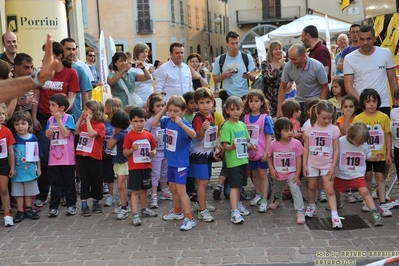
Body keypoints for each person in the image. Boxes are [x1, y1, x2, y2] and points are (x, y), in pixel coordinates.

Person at [32, 41, 79, 209]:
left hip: (63, 118)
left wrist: (60, 113)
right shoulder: (42, 73)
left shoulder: (70, 73)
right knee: (45, 157)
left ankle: (66, 195)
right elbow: (36, 97)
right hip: (44, 118)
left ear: (59, 56)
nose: (45, 59)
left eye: (48, 56)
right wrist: (33, 117)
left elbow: (71, 98)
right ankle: (43, 194)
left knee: (64, 159)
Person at [152, 96, 197, 231]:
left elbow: (194, 135)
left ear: (183, 111)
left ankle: (189, 217)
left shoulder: (183, 123)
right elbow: (154, 122)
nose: (172, 113)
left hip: (181, 163)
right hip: (170, 161)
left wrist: (181, 124)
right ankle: (177, 211)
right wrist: (164, 109)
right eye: (170, 110)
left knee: (181, 190)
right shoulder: (167, 121)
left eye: (176, 111)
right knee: (173, 189)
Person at [334, 123, 384, 226]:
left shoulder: (364, 145)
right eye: (358, 142)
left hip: (357, 173)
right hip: (341, 173)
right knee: (335, 190)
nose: (360, 144)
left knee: (365, 191)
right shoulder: (340, 142)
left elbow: (367, 156)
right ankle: (337, 203)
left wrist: (375, 158)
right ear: (350, 136)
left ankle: (374, 212)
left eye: (362, 142)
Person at [352, 89, 392, 217]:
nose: (371, 104)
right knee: (367, 176)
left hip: (380, 154)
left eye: (374, 101)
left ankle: (383, 203)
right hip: (365, 155)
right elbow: (355, 137)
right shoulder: (358, 118)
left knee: (380, 176)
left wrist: (389, 153)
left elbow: (388, 135)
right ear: (363, 103)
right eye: (368, 101)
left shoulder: (384, 117)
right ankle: (367, 201)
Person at [303, 100, 342, 229]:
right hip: (312, 163)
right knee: (312, 186)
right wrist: (304, 165)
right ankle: (311, 205)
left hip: (327, 164)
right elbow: (306, 148)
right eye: (324, 118)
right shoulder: (310, 129)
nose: (326, 121)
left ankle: (334, 215)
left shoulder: (334, 129)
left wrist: (333, 167)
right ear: (317, 113)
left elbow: (336, 150)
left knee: (329, 190)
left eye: (329, 118)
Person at [344, 25, 398, 112]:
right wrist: (362, 104)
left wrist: (396, 104)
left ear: (374, 38)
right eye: (362, 39)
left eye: (368, 39)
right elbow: (348, 85)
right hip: (360, 107)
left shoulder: (386, 53)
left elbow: (393, 80)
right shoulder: (349, 58)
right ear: (358, 39)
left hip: (383, 104)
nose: (365, 42)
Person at [220, 96, 255, 224]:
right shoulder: (227, 126)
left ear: (242, 110)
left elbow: (246, 141)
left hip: (243, 160)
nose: (235, 111)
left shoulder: (242, 125)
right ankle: (234, 211)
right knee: (234, 187)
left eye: (238, 109)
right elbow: (224, 146)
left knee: (239, 186)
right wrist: (231, 147)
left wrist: (251, 146)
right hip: (233, 162)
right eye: (232, 109)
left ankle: (238, 204)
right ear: (227, 111)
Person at [277, 43, 329, 125]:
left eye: (294, 59)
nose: (292, 62)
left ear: (304, 56)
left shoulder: (317, 66)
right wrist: (279, 109)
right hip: (299, 101)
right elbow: (283, 87)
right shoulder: (288, 66)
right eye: (290, 59)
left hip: (315, 101)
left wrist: (319, 107)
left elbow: (325, 88)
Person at [122, 107, 157, 226]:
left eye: (141, 121)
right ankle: (135, 214)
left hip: (146, 167)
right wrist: (132, 149)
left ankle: (144, 209)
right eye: (135, 121)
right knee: (135, 191)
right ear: (131, 122)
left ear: (146, 121)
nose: (138, 124)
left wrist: (153, 153)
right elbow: (125, 153)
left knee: (144, 190)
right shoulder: (129, 136)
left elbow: (154, 148)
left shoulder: (149, 135)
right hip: (135, 168)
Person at [266, 117, 305, 224]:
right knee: (277, 189)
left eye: (291, 130)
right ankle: (277, 199)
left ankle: (300, 211)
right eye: (286, 130)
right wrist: (272, 169)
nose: (290, 133)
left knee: (295, 190)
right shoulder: (273, 144)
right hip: (278, 173)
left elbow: (298, 159)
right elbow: (269, 157)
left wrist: (297, 174)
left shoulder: (296, 143)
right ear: (278, 131)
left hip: (291, 173)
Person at [0, 34, 59, 103]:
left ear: (18, 42)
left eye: (14, 41)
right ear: (3, 44)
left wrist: (39, 78)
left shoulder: (23, 58)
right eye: (8, 42)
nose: (12, 44)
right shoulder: (1, 61)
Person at [45, 94, 77, 217]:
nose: (50, 108)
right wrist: (47, 134)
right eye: (50, 105)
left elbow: (65, 134)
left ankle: (71, 205)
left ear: (62, 108)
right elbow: (50, 137)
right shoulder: (49, 120)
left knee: (69, 182)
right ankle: (53, 207)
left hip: (67, 158)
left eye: (53, 105)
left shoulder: (69, 118)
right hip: (54, 158)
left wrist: (58, 120)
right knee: (55, 184)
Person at [188, 87, 217, 222]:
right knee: (203, 181)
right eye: (201, 103)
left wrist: (217, 146)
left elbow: (213, 136)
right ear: (197, 104)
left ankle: (201, 203)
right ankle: (202, 210)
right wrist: (204, 130)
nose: (205, 105)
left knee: (206, 180)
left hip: (208, 153)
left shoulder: (212, 116)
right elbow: (198, 137)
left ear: (212, 102)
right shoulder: (198, 118)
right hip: (198, 154)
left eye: (207, 102)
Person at [242, 90, 273, 212]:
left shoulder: (265, 118)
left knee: (262, 174)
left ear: (261, 102)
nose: (253, 104)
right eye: (251, 101)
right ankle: (258, 194)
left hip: (262, 153)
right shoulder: (245, 117)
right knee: (254, 175)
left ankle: (264, 199)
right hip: (250, 153)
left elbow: (269, 135)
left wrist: (267, 151)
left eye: (256, 101)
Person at [75, 100, 106, 217]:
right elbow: (76, 131)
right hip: (83, 157)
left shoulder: (100, 125)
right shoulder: (83, 124)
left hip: (95, 157)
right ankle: (84, 203)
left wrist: (87, 121)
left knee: (96, 181)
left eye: (87, 109)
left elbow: (92, 134)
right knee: (85, 180)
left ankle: (96, 201)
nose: (84, 111)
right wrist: (81, 118)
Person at [11, 111, 40, 223]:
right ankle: (20, 210)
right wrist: (12, 168)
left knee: (29, 190)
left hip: (30, 170)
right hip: (18, 171)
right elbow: (11, 154)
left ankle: (29, 208)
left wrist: (39, 168)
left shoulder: (33, 138)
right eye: (17, 124)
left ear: (29, 124)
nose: (20, 126)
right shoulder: (13, 138)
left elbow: (37, 154)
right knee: (18, 191)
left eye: (23, 123)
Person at [144, 93, 172, 209]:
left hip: (166, 150)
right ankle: (154, 195)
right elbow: (145, 134)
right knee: (155, 173)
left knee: (165, 172)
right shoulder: (150, 121)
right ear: (152, 107)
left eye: (162, 105)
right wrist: (152, 140)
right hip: (156, 151)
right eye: (158, 106)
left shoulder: (167, 119)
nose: (160, 108)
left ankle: (165, 190)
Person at [212, 30, 256, 105]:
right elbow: (215, 79)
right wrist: (224, 75)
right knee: (227, 117)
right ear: (227, 43)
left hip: (244, 96)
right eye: (232, 43)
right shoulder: (220, 59)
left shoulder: (247, 57)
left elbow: (253, 78)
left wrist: (249, 75)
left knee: (245, 117)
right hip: (227, 97)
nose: (235, 46)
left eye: (237, 43)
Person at [60, 38, 93, 122]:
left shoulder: (80, 69)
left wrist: (85, 115)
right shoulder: (54, 69)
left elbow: (86, 93)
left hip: (75, 115)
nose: (72, 52)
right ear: (61, 49)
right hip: (55, 114)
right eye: (68, 49)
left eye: (74, 49)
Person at [107, 111, 130, 219]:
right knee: (122, 186)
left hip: (122, 163)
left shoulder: (119, 135)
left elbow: (109, 146)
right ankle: (125, 204)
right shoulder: (124, 134)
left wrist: (112, 135)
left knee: (120, 186)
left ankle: (124, 208)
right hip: (119, 162)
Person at [103, 98, 123, 206]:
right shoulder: (104, 121)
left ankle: (122, 195)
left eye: (106, 106)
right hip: (107, 152)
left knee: (121, 173)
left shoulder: (121, 123)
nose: (104, 108)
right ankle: (111, 195)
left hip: (119, 152)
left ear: (112, 108)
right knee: (108, 173)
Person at [0, 103, 16, 227]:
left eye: (3, 114)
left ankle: (7, 214)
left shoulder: (6, 131)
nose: (1, 117)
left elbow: (11, 150)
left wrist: (12, 167)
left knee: (4, 189)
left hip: (3, 162)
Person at [260, 41, 285, 118]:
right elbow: (267, 78)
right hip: (268, 97)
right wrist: (278, 67)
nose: (278, 51)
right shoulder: (265, 64)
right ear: (271, 51)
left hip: (282, 97)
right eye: (275, 49)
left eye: (279, 49)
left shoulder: (285, 65)